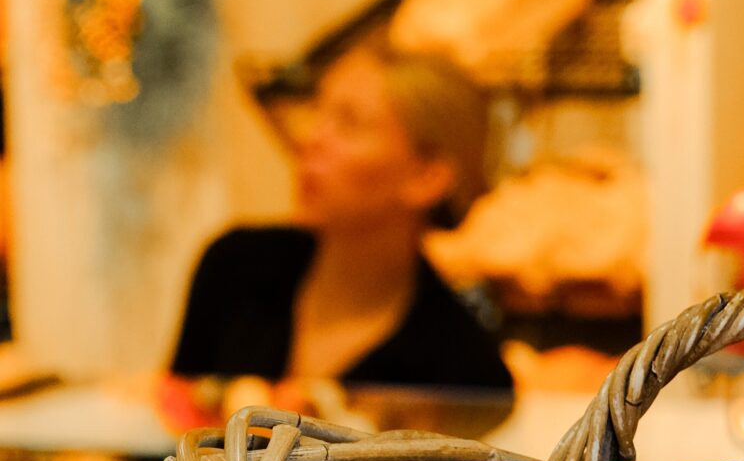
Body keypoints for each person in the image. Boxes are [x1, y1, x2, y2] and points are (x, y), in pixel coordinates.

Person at [171, 45, 513, 394]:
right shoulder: (236, 267)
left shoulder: (463, 369)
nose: (310, 139)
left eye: (349, 123)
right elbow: (170, 424)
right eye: (318, 110)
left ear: (426, 177)